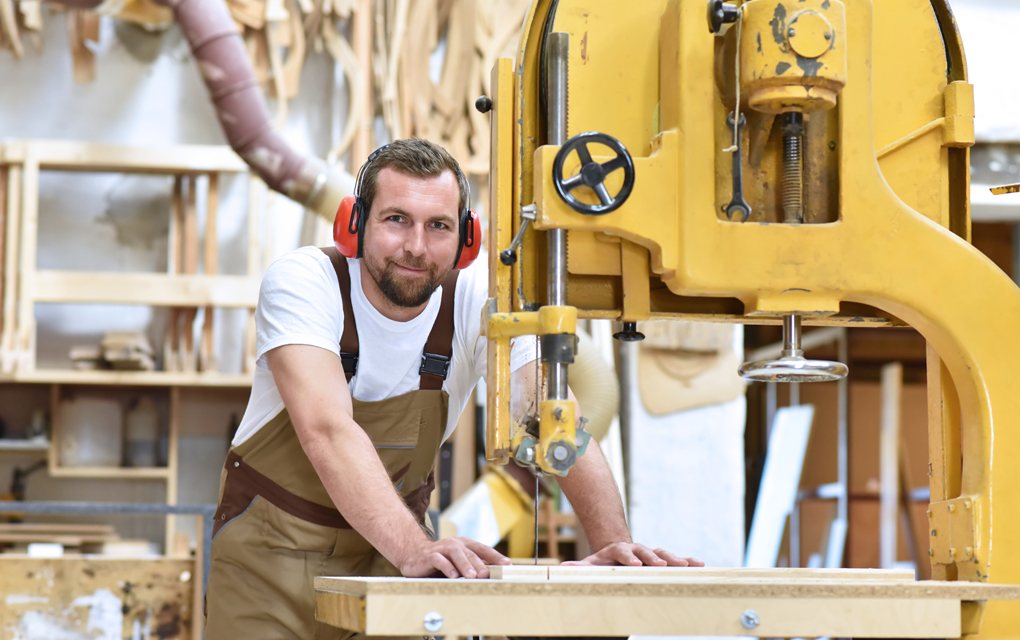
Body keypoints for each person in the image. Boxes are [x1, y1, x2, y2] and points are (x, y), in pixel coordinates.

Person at [203, 138, 703, 637]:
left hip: (390, 559)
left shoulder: (480, 299)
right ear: (354, 224)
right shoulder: (304, 282)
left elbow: (557, 422)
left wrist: (614, 552)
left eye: (438, 226)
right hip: (267, 564)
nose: (416, 247)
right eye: (396, 219)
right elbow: (327, 430)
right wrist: (416, 549)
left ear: (466, 237)